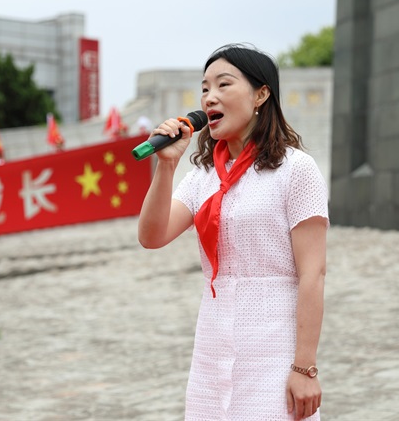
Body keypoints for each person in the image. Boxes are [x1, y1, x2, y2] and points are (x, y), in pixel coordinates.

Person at [137, 44, 329, 420]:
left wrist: (304, 366)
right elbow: (152, 236)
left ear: (261, 94)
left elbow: (313, 273)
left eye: (223, 85)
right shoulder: (203, 176)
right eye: (204, 88)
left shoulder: (296, 170)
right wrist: (167, 166)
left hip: (274, 349)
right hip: (213, 349)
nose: (210, 97)